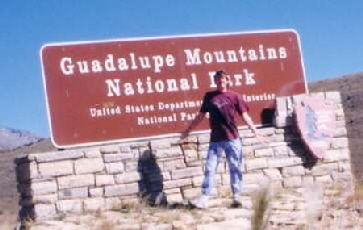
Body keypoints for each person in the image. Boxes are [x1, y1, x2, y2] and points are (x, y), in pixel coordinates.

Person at [180, 70, 264, 209]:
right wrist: (188, 130)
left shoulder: (235, 96)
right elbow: (200, 116)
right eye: (218, 80)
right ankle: (205, 198)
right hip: (216, 139)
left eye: (223, 79)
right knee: (210, 168)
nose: (221, 81)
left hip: (232, 138)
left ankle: (237, 196)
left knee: (235, 167)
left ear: (227, 80)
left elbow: (245, 115)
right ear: (215, 81)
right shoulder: (209, 96)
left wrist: (255, 131)